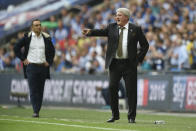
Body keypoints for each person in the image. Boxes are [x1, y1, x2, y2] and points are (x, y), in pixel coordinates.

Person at [83, 8, 149, 123]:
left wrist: (138, 60)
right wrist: (91, 32)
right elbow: (102, 31)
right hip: (115, 64)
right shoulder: (111, 27)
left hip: (129, 65)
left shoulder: (135, 29)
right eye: (116, 15)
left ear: (126, 17)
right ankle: (115, 115)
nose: (116, 17)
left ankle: (131, 117)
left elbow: (145, 45)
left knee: (131, 91)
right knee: (112, 88)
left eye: (119, 15)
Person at [14, 19, 55, 117]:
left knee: (40, 90)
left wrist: (49, 62)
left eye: (39, 25)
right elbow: (16, 48)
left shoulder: (46, 38)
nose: (39, 27)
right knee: (33, 89)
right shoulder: (27, 37)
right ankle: (35, 111)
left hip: (42, 67)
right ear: (32, 27)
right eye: (36, 25)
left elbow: (52, 52)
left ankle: (37, 110)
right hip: (31, 67)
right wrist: (23, 59)